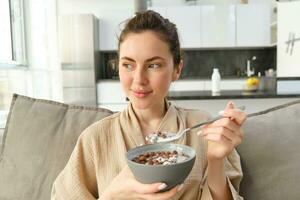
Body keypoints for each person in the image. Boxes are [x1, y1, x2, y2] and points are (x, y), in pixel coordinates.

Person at [51, 10, 246, 200]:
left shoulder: (203, 128)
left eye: (153, 65)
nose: (139, 79)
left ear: (177, 69)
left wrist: (215, 161)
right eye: (128, 65)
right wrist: (111, 196)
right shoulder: (94, 139)